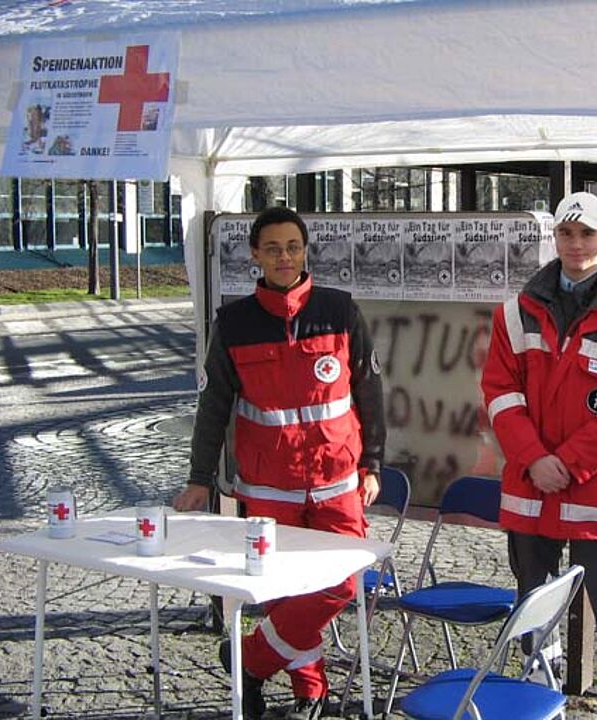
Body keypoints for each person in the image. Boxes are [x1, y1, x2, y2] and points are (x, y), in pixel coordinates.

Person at [172, 206, 385, 720]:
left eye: (292, 247)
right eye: (272, 248)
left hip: (337, 480)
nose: (284, 257)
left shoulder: (339, 310)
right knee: (285, 593)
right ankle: (311, 693)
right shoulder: (234, 324)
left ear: (305, 251)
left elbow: (369, 391)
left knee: (342, 582)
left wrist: (373, 463)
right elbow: (213, 406)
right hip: (269, 487)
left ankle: (249, 659)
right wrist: (200, 478)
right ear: (255, 255)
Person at [481, 191, 597, 720]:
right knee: (534, 599)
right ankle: (540, 692)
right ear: (555, 237)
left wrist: (566, 464)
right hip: (533, 487)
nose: (576, 243)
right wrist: (535, 459)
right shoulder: (514, 313)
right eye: (566, 233)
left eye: (586, 234)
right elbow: (500, 394)